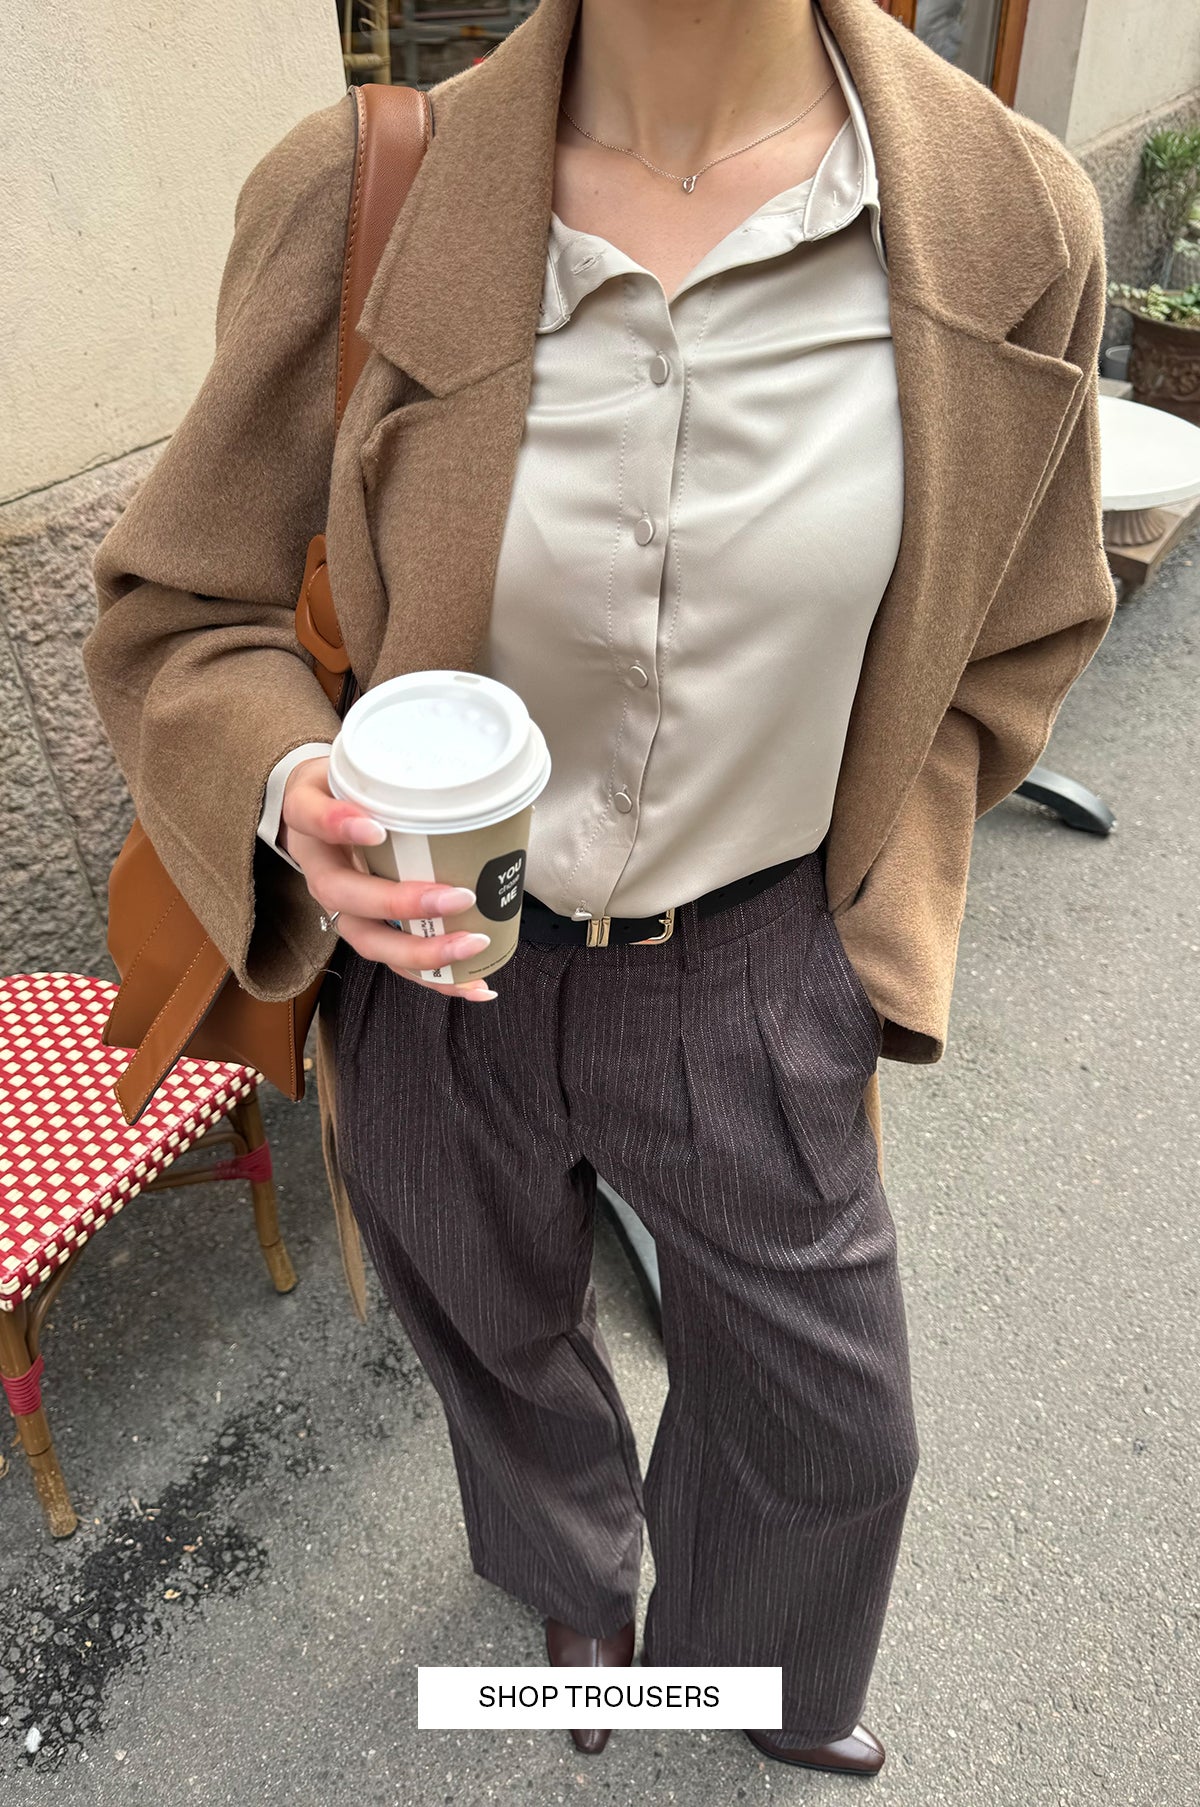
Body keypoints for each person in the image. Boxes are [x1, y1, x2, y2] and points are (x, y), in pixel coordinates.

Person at [83, 0, 1117, 1776]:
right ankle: (573, 1587)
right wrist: (289, 787)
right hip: (428, 961)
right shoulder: (361, 192)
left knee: (831, 1422)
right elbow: (186, 606)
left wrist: (873, 926)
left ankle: (755, 1677)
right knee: (485, 1326)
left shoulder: (1007, 220)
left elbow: (1018, 627)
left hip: (758, 966)